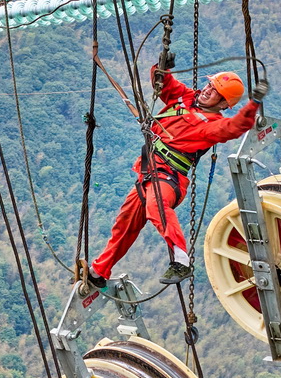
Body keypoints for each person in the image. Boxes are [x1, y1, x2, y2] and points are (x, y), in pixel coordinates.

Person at [89, 65, 268, 286]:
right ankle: (99, 271)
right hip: (148, 173)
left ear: (223, 104)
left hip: (168, 177)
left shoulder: (212, 125)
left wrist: (253, 104)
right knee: (125, 223)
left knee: (156, 206)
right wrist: (162, 65)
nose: (207, 90)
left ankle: (181, 260)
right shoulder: (185, 97)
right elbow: (163, 83)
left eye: (215, 91)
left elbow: (235, 126)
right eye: (209, 85)